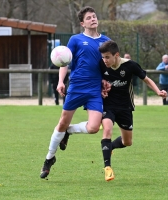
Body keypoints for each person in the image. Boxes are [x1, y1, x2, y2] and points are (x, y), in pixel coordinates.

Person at [40, 6, 111, 179]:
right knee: (62, 122)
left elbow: (109, 64)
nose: (93, 19)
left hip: (94, 89)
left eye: (94, 16)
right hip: (77, 86)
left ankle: (69, 132)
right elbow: (64, 61)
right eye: (89, 18)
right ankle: (49, 158)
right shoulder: (76, 40)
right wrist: (60, 81)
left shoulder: (106, 41)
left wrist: (105, 79)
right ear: (82, 23)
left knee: (94, 127)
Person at [99, 40, 167, 181]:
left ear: (116, 55)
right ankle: (108, 168)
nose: (104, 60)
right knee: (107, 130)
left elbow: (146, 79)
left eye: (107, 57)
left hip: (125, 107)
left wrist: (158, 91)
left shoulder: (130, 66)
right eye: (103, 57)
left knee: (127, 142)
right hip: (108, 106)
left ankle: (110, 147)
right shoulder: (100, 65)